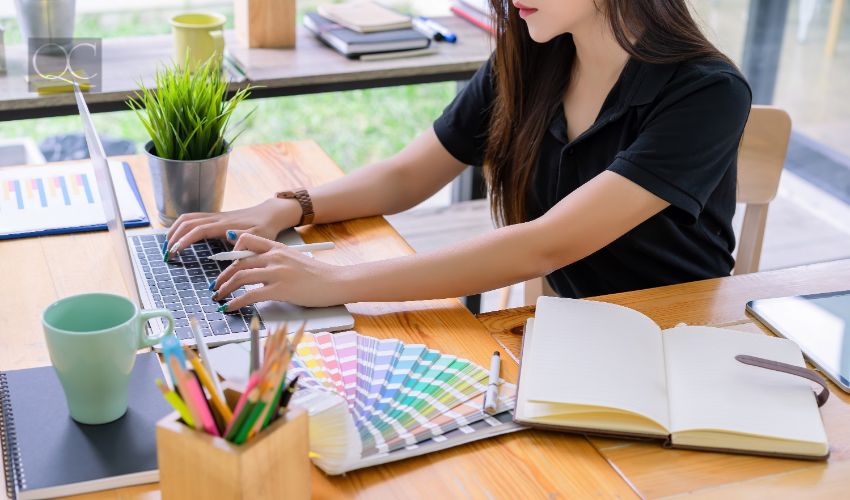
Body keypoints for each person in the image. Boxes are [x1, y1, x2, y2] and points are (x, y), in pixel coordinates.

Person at [165, 0, 752, 310]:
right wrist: (288, 205)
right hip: (571, 334)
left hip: (678, 336)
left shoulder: (706, 93)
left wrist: (335, 280)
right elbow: (407, 173)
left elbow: (545, 243)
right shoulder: (529, 62)